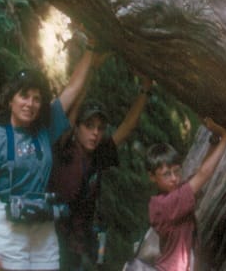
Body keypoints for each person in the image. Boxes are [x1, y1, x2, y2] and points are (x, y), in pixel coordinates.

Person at [0, 35, 104, 271]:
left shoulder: (45, 131)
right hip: (6, 225)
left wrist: (92, 45)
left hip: (42, 223)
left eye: (36, 99)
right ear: (11, 98)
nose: (30, 104)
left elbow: (73, 88)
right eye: (24, 96)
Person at [50, 75, 154, 270]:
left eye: (100, 128)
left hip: (76, 247)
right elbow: (67, 114)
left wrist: (146, 90)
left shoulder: (98, 155)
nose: (95, 133)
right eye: (89, 126)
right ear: (76, 128)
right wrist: (91, 71)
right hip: (50, 239)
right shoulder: (63, 149)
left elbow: (127, 127)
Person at [145, 117, 226, 271]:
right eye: (166, 174)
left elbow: (199, 171)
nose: (174, 178)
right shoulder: (165, 204)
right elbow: (203, 174)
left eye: (177, 171)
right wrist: (225, 137)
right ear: (152, 176)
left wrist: (214, 139)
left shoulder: (173, 195)